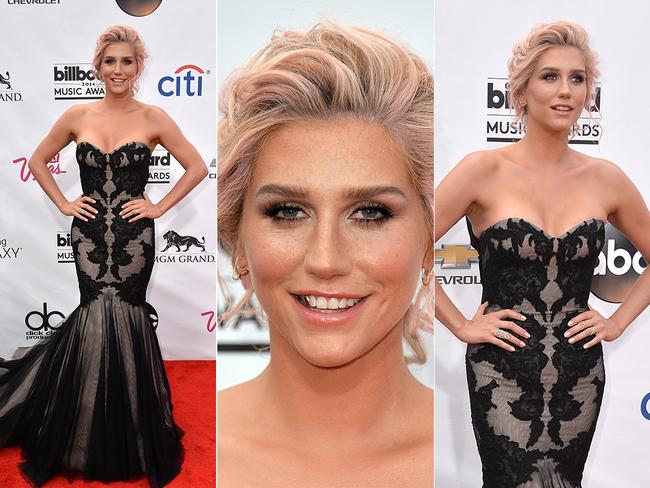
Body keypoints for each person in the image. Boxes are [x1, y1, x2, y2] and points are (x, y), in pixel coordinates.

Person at [217, 22, 434, 487]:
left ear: (429, 243)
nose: (326, 259)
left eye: (371, 213)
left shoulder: (487, 456)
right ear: (239, 244)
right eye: (288, 211)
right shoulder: (182, 450)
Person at [435, 20, 650, 487]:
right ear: (523, 89)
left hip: (579, 373)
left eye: (578, 78)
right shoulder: (481, 171)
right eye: (550, 76)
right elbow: (404, 247)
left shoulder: (606, 178)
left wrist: (614, 323)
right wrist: (460, 325)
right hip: (501, 373)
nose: (566, 90)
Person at [0, 25, 207, 487]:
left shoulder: (155, 117)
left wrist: (157, 206)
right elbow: (37, 161)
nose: (118, 69)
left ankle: (132, 430)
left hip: (135, 238)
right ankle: (79, 427)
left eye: (127, 62)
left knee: (126, 313)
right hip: (88, 236)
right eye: (110, 61)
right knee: (95, 311)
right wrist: (65, 203)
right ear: (98, 66)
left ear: (138, 68)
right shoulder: (77, 115)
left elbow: (196, 166)